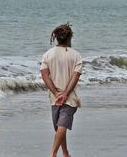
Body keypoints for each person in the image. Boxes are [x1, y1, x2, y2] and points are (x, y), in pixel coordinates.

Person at [40, 23, 83, 157]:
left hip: (55, 97)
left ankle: (53, 154)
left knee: (60, 126)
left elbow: (45, 75)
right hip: (69, 97)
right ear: (69, 38)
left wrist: (56, 93)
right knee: (60, 127)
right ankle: (65, 153)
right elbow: (75, 77)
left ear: (57, 38)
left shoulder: (47, 55)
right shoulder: (76, 55)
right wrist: (64, 94)